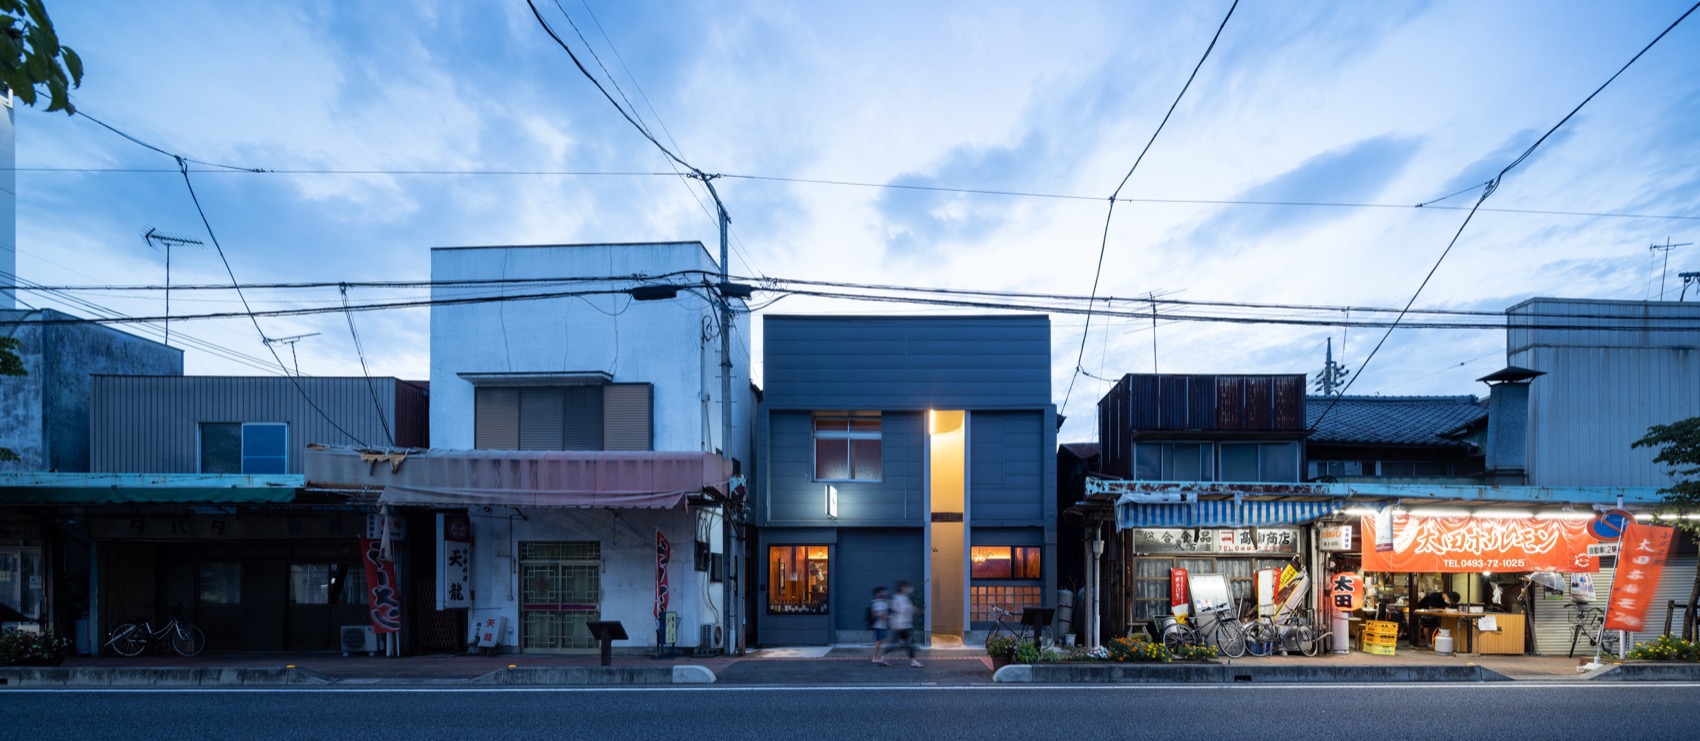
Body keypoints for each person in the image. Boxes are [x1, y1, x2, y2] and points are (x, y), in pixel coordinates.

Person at [890, 581, 920, 667]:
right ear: (902, 588)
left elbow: (908, 609)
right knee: (910, 643)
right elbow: (895, 611)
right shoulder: (897, 598)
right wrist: (893, 623)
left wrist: (914, 609)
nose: (907, 589)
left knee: (901, 644)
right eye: (906, 587)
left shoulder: (904, 598)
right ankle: (913, 661)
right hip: (901, 625)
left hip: (905, 624)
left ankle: (882, 657)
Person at [869, 587, 891, 666]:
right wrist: (885, 616)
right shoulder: (875, 602)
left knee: (880, 642)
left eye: (884, 592)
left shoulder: (884, 602)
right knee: (880, 641)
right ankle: (876, 657)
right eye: (881, 592)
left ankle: (877, 657)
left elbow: (883, 613)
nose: (883, 594)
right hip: (878, 626)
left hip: (883, 626)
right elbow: (876, 614)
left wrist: (885, 616)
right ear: (877, 594)